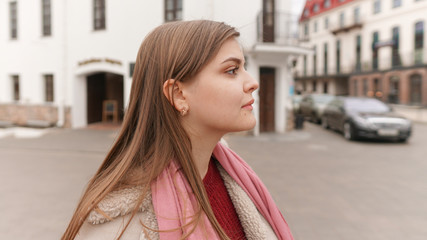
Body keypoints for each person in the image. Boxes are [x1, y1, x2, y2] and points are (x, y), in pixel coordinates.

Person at [62, 20, 294, 240]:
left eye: (245, 67)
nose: (253, 82)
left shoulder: (233, 174)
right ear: (179, 95)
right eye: (232, 70)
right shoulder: (122, 224)